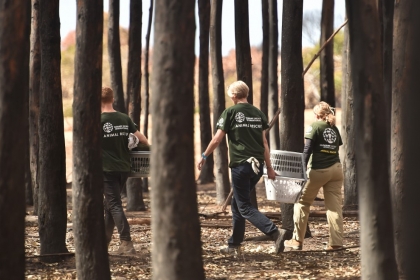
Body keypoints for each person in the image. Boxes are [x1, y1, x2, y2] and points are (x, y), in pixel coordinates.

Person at [197, 80, 288, 255]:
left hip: (241, 166)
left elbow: (217, 139)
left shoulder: (230, 112)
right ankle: (234, 245)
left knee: (244, 206)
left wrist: (204, 156)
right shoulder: (258, 113)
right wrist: (268, 167)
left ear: (233, 95)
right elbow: (264, 143)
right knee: (237, 205)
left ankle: (275, 232)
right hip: (257, 167)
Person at [284, 101, 344, 251]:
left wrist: (301, 171)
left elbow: (307, 150)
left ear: (317, 114)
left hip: (319, 169)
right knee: (334, 207)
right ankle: (336, 243)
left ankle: (297, 241)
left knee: (302, 203)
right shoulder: (334, 128)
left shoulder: (315, 127)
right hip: (336, 170)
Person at [101, 86, 149, 254]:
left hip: (106, 169)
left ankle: (126, 242)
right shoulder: (124, 118)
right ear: (112, 99)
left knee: (113, 204)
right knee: (110, 205)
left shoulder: (96, 120)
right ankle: (104, 243)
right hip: (124, 168)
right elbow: (143, 139)